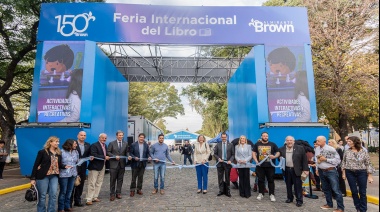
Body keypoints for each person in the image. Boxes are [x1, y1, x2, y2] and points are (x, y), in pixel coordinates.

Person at [30, 136, 65, 212]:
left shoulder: (59, 153)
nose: (57, 143)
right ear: (50, 142)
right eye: (56, 141)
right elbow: (36, 165)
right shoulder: (42, 152)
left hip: (54, 176)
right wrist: (33, 178)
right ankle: (41, 210)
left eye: (58, 142)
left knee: (53, 194)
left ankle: (51, 210)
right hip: (43, 176)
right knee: (42, 195)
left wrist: (65, 166)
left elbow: (59, 164)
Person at [342, 136, 375, 212]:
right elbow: (344, 162)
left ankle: (363, 209)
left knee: (362, 192)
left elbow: (368, 163)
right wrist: (343, 173)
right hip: (349, 172)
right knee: (354, 191)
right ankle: (358, 207)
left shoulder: (363, 151)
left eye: (350, 141)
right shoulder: (347, 151)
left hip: (362, 172)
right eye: (348, 141)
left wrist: (370, 176)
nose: (348, 143)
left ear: (355, 142)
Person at [315, 135, 344, 212]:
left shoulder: (331, 149)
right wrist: (317, 168)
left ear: (324, 141)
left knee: (336, 189)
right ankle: (329, 204)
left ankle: (340, 207)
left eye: (318, 141)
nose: (317, 142)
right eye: (317, 140)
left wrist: (326, 159)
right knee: (325, 188)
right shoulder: (317, 149)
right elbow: (316, 159)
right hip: (321, 170)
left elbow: (338, 160)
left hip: (330, 170)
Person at [279, 136, 309, 207]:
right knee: (288, 185)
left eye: (291, 140)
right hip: (286, 169)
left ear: (293, 141)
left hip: (296, 170)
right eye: (288, 140)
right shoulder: (281, 149)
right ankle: (289, 198)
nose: (289, 142)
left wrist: (306, 169)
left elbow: (304, 160)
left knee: (297, 186)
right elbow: (279, 159)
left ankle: (299, 200)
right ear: (285, 141)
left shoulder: (300, 148)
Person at [253, 132, 280, 202]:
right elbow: (253, 153)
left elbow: (278, 152)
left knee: (271, 180)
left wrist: (274, 156)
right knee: (260, 180)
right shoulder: (257, 144)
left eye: (266, 136)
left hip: (270, 166)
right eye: (264, 136)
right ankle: (261, 193)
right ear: (261, 136)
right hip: (260, 166)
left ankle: (272, 194)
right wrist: (256, 161)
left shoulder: (272, 144)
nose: (265, 137)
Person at [85, 133, 110, 205]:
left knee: (99, 182)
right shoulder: (94, 145)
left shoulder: (105, 145)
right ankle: (89, 199)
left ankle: (95, 197)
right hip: (94, 167)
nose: (104, 139)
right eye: (102, 138)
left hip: (102, 166)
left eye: (105, 138)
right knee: (92, 183)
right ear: (99, 138)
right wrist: (104, 157)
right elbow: (94, 154)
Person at [58, 139, 79, 212]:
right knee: (63, 191)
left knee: (70, 191)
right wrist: (64, 166)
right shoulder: (61, 152)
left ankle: (67, 206)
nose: (76, 145)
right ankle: (61, 208)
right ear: (70, 144)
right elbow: (58, 163)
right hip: (64, 174)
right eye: (75, 144)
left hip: (73, 173)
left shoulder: (75, 151)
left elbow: (77, 162)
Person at [71, 131, 91, 207]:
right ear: (78, 135)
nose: (83, 136)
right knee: (72, 184)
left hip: (83, 167)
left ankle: (77, 200)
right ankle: (69, 201)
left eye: (84, 135)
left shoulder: (87, 145)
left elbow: (88, 154)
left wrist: (90, 157)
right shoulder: (73, 143)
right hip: (74, 167)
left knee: (81, 184)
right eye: (81, 135)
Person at [107, 130, 128, 201]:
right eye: (119, 135)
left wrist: (129, 156)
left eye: (122, 135)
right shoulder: (112, 143)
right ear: (116, 136)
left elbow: (127, 152)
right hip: (113, 164)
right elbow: (108, 152)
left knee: (120, 179)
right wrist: (114, 156)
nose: (121, 136)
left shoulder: (125, 143)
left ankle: (118, 193)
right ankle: (112, 194)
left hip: (122, 165)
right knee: (112, 180)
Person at [214, 132, 235, 197]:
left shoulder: (231, 145)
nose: (223, 138)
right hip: (220, 163)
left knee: (227, 177)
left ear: (226, 137)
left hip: (227, 163)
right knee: (220, 178)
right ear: (221, 137)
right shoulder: (218, 145)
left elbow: (233, 154)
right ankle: (221, 190)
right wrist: (218, 158)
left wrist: (230, 160)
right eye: (222, 137)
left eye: (225, 137)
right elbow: (215, 154)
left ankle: (227, 191)